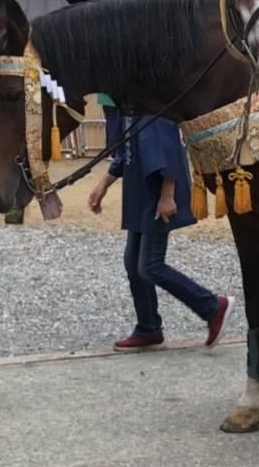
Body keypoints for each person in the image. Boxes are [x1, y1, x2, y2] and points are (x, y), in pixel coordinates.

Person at [89, 108, 232, 350]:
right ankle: (149, 328)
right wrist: (103, 184)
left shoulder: (151, 103)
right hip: (139, 192)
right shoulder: (128, 104)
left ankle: (213, 306)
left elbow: (171, 149)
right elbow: (127, 151)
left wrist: (167, 194)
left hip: (158, 194)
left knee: (150, 266)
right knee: (133, 263)